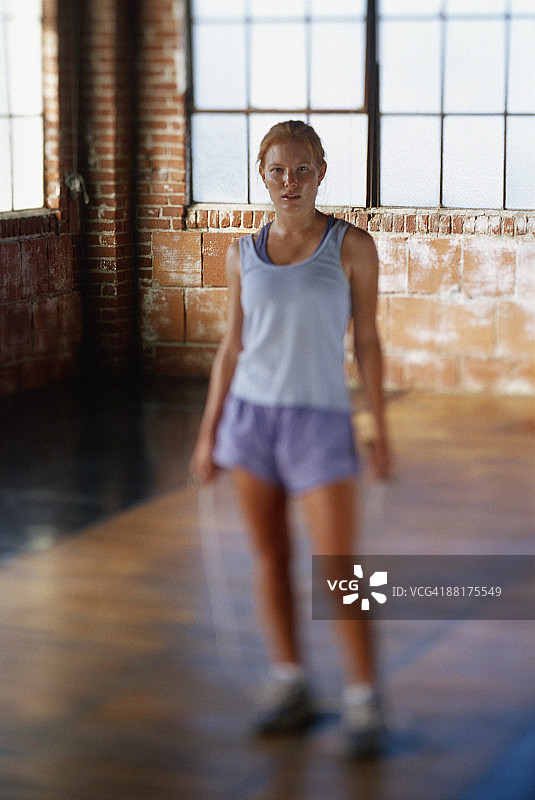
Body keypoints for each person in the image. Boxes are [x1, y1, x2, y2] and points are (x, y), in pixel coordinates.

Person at [190, 120, 391, 758]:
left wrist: (379, 429)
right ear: (263, 176)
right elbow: (231, 347)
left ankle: (363, 699)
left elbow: (367, 342)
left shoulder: (352, 246)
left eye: (302, 169)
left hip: (319, 422)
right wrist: (207, 434)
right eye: (278, 170)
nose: (290, 182)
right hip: (253, 422)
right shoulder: (242, 252)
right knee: (271, 559)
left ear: (322, 172)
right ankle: (292, 684)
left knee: (341, 570)